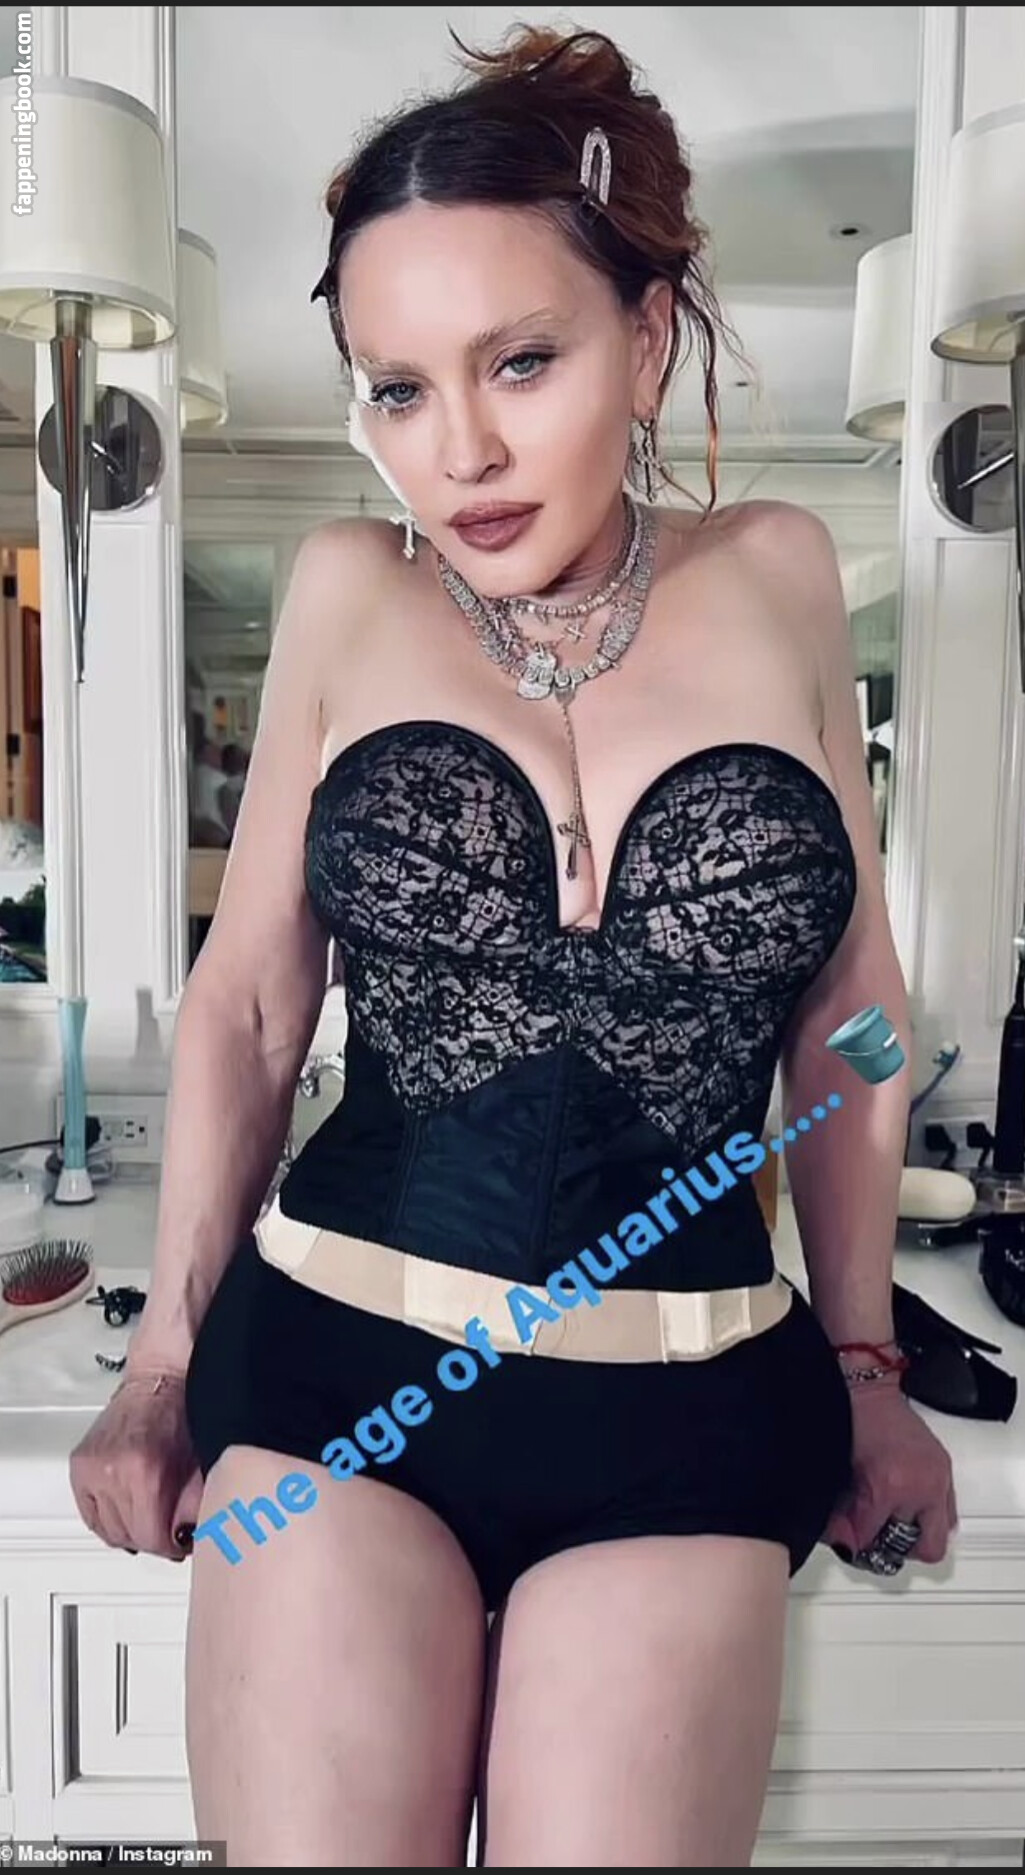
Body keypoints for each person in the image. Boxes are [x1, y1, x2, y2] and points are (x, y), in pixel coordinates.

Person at [69, 24, 956, 1869]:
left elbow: (847, 1013)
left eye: (520, 362)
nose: (455, 449)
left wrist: (866, 1363)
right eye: (395, 389)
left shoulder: (782, 572)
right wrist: (161, 1369)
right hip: (329, 1380)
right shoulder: (343, 588)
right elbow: (251, 1005)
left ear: (648, 338)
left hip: (694, 1404)